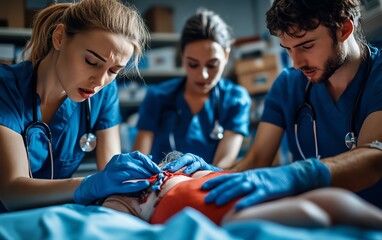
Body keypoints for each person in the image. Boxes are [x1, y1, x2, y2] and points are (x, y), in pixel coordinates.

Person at [199, 0, 382, 211]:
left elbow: (372, 159)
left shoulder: (377, 77)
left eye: (307, 46)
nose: (296, 63)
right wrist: (208, 175)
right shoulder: (288, 85)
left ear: (344, 29)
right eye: (288, 49)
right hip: (317, 223)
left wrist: (298, 175)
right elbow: (257, 160)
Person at [0, 0, 164, 213]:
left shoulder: (104, 94)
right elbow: (11, 191)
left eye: (114, 71)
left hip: (51, 218)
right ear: (59, 38)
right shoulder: (6, 87)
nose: (99, 81)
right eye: (91, 61)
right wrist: (91, 184)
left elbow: (111, 172)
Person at [101, 151, 382, 229]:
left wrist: (206, 169)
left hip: (235, 190)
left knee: (329, 201)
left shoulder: (184, 169)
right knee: (310, 213)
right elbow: (115, 220)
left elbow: (222, 172)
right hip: (217, 213)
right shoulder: (126, 193)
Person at [133, 9, 251, 168]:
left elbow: (223, 164)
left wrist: (199, 175)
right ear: (182, 56)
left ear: (226, 55)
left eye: (212, 65)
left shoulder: (236, 99)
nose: (202, 75)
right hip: (161, 184)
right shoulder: (158, 96)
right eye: (193, 64)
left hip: (209, 184)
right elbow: (140, 161)